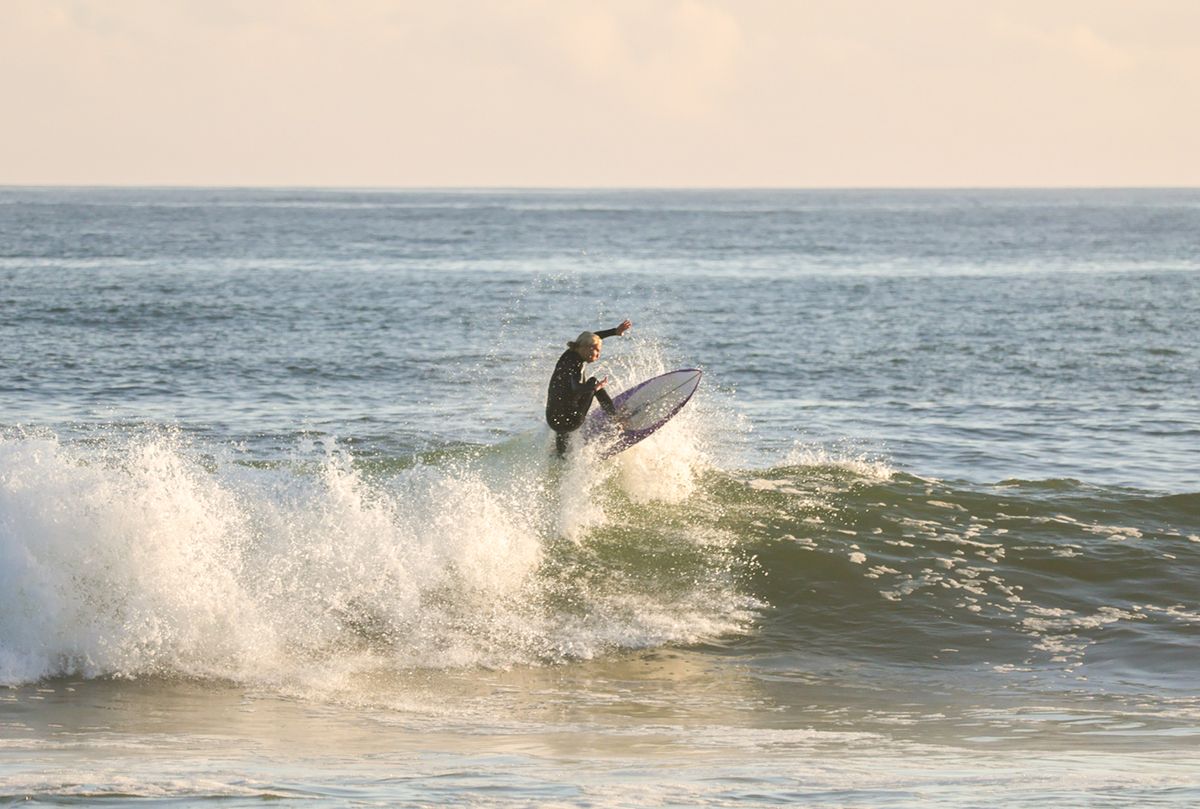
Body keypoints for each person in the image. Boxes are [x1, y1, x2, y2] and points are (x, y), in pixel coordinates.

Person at [545, 319, 633, 456]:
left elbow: (593, 338)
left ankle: (560, 453)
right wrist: (595, 388)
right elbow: (576, 388)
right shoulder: (576, 366)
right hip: (572, 421)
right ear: (585, 348)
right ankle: (615, 418)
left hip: (552, 420)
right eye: (596, 350)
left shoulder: (569, 354)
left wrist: (614, 332)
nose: (598, 354)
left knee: (563, 403)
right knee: (592, 382)